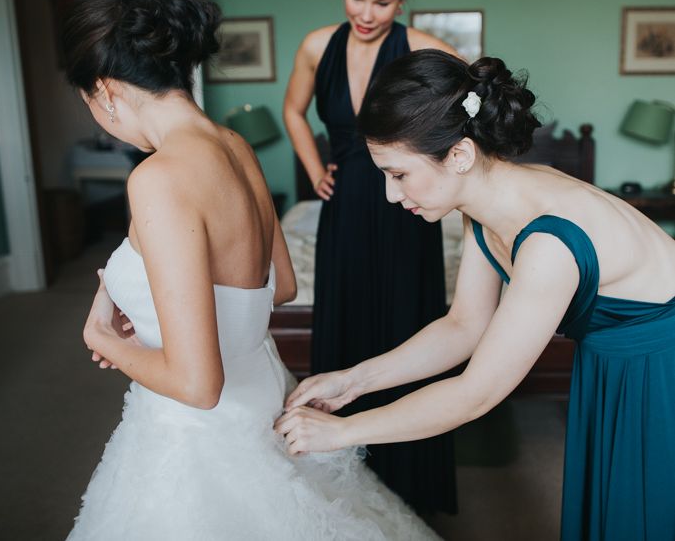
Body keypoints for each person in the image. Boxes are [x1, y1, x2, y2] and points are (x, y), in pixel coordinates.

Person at [64, 0, 442, 540]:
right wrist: (148, 316)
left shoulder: (158, 178)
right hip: (259, 392)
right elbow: (281, 286)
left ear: (106, 91)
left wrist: (108, 341)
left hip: (198, 433)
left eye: (90, 104)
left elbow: (197, 384)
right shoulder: (235, 145)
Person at [276, 49, 675, 540]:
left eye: (398, 174)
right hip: (616, 361)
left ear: (459, 155)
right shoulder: (483, 206)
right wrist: (352, 382)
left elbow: (475, 394)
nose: (390, 195)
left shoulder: (548, 242)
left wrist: (344, 432)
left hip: (662, 366)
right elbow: (463, 325)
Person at [283, 0, 459, 515]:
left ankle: (411, 485)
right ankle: (344, 484)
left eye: (382, 2)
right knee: (348, 325)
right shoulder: (316, 45)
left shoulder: (420, 46)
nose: (366, 12)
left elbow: (476, 102)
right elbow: (292, 109)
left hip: (406, 210)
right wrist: (314, 168)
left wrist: (442, 174)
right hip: (344, 207)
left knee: (405, 326)